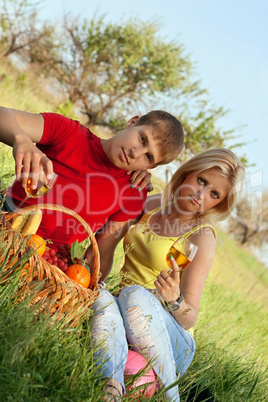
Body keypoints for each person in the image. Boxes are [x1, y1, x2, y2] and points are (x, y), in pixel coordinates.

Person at [89, 148, 245, 401]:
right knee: (102, 300)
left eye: (214, 193)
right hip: (126, 314)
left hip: (171, 338)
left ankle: (171, 395)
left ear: (219, 202)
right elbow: (107, 236)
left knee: (134, 294)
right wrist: (135, 174)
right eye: (201, 181)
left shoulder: (200, 236)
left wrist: (173, 299)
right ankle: (111, 390)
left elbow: (189, 317)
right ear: (187, 174)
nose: (201, 194)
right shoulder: (151, 204)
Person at [0, 107, 184, 279]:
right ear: (132, 122)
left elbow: (103, 252)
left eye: (148, 156)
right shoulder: (69, 133)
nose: (136, 153)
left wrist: (91, 287)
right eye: (142, 139)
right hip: (5, 220)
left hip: (44, 262)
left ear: (150, 166)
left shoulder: (133, 191)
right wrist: (21, 139)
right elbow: (4, 114)